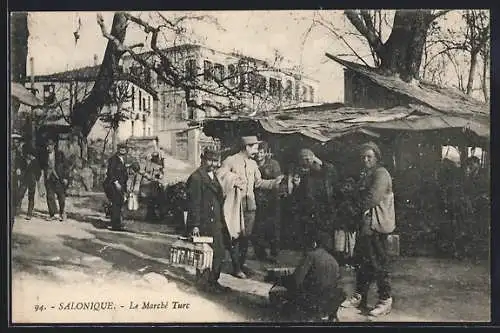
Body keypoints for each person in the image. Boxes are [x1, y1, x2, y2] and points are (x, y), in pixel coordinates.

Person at [217, 136, 284, 279]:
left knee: (245, 238)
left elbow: (258, 183)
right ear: (247, 147)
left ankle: (241, 265)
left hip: (250, 207)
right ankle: (236, 268)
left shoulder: (253, 164)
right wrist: (233, 179)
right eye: (254, 147)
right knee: (235, 236)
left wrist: (275, 183)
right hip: (236, 206)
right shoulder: (231, 160)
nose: (256, 150)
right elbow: (220, 176)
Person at [341, 142, 395, 317]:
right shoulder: (367, 174)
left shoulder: (381, 174)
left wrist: (352, 208)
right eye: (363, 157)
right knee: (362, 262)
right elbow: (359, 192)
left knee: (378, 263)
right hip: (366, 226)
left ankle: (385, 300)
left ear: (377, 158)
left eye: (369, 157)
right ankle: (360, 296)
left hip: (377, 226)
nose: (365, 160)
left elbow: (372, 198)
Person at [271, 232, 345, 322]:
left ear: (315, 243)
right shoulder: (334, 261)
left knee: (275, 292)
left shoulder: (311, 256)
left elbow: (296, 280)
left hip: (310, 299)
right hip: (327, 301)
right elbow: (337, 284)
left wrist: (281, 280)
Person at [186, 147, 231, 294]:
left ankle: (213, 280)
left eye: (216, 161)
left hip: (216, 220)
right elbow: (194, 203)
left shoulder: (213, 175)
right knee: (204, 253)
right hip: (204, 222)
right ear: (202, 159)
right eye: (210, 160)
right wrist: (195, 225)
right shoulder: (196, 177)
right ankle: (204, 282)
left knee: (218, 252)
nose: (213, 164)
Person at [294, 148, 339, 253]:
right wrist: (297, 185)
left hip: (326, 211)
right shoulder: (307, 176)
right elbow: (303, 194)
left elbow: (335, 186)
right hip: (312, 212)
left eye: (305, 163)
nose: (304, 168)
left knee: (326, 240)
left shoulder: (328, 170)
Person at [254, 141, 282, 263]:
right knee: (258, 228)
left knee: (273, 227)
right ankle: (260, 254)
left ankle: (274, 253)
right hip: (257, 200)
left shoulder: (273, 164)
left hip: (271, 201)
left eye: (261, 152)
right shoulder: (252, 164)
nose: (258, 155)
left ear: (265, 153)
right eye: (257, 152)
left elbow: (278, 181)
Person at [40, 138, 70, 222]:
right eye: (46, 146)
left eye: (49, 146)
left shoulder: (60, 154)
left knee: (61, 196)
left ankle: (62, 212)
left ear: (53, 146)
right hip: (49, 178)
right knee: (50, 196)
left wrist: (65, 177)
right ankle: (53, 214)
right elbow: (43, 166)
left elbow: (66, 167)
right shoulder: (44, 155)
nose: (47, 148)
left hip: (59, 178)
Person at [103, 142, 130, 231]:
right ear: (118, 150)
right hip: (113, 185)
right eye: (121, 149)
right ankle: (115, 225)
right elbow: (110, 173)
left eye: (124, 149)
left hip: (121, 185)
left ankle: (117, 223)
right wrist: (116, 182)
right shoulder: (113, 159)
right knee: (116, 204)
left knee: (119, 204)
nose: (123, 150)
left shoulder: (123, 159)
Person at [15, 144, 42, 220]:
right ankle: (17, 210)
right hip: (24, 180)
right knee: (20, 194)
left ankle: (29, 213)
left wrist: (37, 179)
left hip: (32, 182)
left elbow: (39, 172)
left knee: (31, 197)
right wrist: (19, 170)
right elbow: (20, 167)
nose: (28, 156)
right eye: (26, 154)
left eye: (29, 154)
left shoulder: (35, 161)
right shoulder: (23, 159)